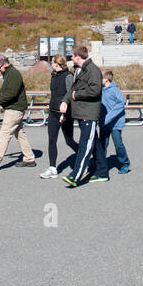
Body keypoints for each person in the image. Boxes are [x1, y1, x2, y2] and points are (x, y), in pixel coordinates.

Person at [63, 44, 107, 187]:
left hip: (89, 113)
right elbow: (72, 90)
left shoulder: (92, 70)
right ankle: (102, 172)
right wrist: (65, 101)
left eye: (72, 55)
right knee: (94, 143)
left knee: (85, 145)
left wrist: (78, 95)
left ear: (78, 56)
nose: (71, 57)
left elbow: (95, 90)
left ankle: (75, 176)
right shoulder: (78, 70)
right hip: (81, 112)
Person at [0, 56, 36, 170]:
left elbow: (12, 93)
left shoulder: (14, 74)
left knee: (4, 134)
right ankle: (29, 159)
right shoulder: (8, 74)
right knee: (20, 134)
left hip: (15, 109)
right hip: (14, 108)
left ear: (5, 64)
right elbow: (4, 91)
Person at [40, 54, 79, 178]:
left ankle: (84, 155)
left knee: (69, 140)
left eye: (52, 62)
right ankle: (52, 168)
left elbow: (70, 97)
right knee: (52, 140)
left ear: (57, 63)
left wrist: (65, 114)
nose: (50, 64)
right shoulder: (54, 75)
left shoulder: (68, 76)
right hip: (53, 112)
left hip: (64, 114)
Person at [98, 69, 131, 177]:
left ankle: (125, 163)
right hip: (104, 123)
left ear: (106, 79)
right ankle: (101, 164)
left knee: (118, 144)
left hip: (115, 123)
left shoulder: (114, 90)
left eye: (101, 77)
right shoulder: (101, 90)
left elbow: (120, 105)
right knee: (102, 143)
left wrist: (108, 117)